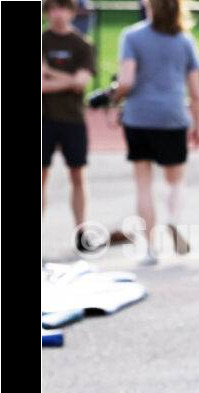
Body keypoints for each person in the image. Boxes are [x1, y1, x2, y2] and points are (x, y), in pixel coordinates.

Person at [113, 0, 199, 265]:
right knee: (175, 181)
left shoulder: (132, 36)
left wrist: (114, 94)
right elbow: (196, 92)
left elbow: (127, 81)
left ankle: (151, 249)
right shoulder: (185, 40)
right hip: (173, 116)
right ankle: (173, 220)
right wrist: (197, 123)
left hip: (139, 116)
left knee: (143, 184)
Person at [42, 0, 96, 252]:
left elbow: (81, 82)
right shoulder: (43, 41)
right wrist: (69, 80)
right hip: (44, 118)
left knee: (77, 175)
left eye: (61, 8)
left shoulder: (82, 45)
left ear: (71, 11)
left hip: (72, 118)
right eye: (51, 8)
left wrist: (51, 73)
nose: (57, 14)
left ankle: (81, 231)